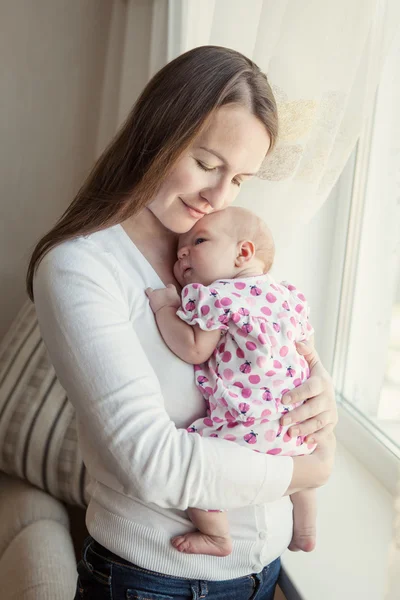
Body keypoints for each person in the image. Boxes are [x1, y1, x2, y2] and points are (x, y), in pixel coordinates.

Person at [27, 46, 337, 600]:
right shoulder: (81, 268)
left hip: (264, 574)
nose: (218, 196)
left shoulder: (219, 256)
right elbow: (152, 463)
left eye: (240, 179)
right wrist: (305, 473)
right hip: (155, 583)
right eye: (207, 164)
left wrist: (319, 398)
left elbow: (279, 348)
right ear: (157, 136)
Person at [145, 207, 318, 558]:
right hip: (295, 425)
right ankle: (307, 528)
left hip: (245, 427)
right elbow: (307, 351)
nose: (182, 253)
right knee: (304, 470)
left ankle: (216, 535)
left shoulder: (220, 297)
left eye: (199, 241)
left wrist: (165, 308)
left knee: (196, 464)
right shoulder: (288, 297)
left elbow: (194, 348)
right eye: (180, 249)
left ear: (243, 253)